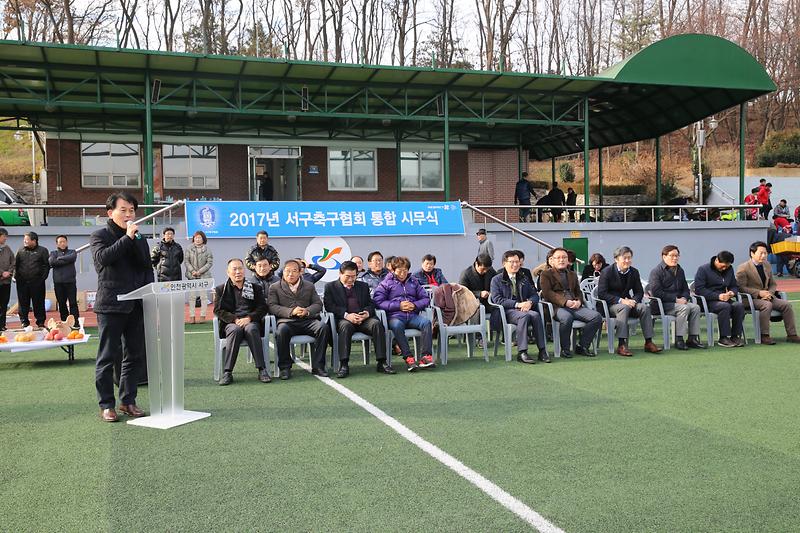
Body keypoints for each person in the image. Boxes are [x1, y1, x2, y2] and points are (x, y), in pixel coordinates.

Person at [90, 192, 154, 422]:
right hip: (110, 306)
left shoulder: (139, 238)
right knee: (107, 356)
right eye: (124, 210)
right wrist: (127, 238)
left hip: (136, 305)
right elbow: (103, 260)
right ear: (110, 212)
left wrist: (150, 296)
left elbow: (147, 268)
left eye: (132, 211)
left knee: (134, 355)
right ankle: (107, 404)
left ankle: (128, 401)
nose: (129, 215)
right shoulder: (100, 235)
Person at [324, 261, 395, 378]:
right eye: (348, 276)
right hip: (345, 319)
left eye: (354, 276)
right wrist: (347, 315)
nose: (351, 279)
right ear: (340, 274)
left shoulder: (362, 286)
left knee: (376, 324)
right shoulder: (331, 287)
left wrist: (367, 313)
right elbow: (330, 306)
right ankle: (344, 364)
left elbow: (370, 304)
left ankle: (382, 362)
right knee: (345, 327)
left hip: (363, 318)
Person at [268, 259, 330, 379]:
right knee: (281, 331)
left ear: (300, 272)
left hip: (308, 321)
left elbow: (318, 304)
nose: (290, 274)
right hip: (287, 321)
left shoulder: (309, 286)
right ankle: (285, 368)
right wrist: (291, 311)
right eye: (288, 271)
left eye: (294, 271)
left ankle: (318, 366)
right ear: (283, 272)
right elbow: (272, 307)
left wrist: (307, 311)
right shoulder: (275, 287)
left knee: (323, 328)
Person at [597, 246, 662, 356]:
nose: (627, 261)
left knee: (644, 308)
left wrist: (634, 300)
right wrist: (621, 300)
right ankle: (622, 344)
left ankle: (649, 342)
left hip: (629, 303)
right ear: (616, 259)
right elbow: (602, 294)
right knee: (624, 307)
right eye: (624, 258)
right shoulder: (607, 272)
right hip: (610, 306)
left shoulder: (634, 272)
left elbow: (639, 292)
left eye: (629, 258)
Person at [213, 258, 270, 385]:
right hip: (232, 323)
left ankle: (262, 369)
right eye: (234, 269)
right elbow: (218, 310)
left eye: (240, 268)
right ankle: (227, 372)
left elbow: (262, 307)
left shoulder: (255, 288)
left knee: (252, 328)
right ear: (228, 272)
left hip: (250, 321)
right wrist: (235, 319)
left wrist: (249, 318)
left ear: (244, 270)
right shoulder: (221, 289)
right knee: (235, 330)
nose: (238, 272)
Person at [373, 256, 435, 372]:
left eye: (405, 270)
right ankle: (408, 357)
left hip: (412, 315)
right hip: (395, 316)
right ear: (393, 270)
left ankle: (426, 357)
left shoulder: (414, 281)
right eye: (399, 270)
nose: (402, 273)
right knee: (397, 326)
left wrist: (415, 305)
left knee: (426, 323)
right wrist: (399, 305)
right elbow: (378, 302)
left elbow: (425, 298)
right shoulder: (386, 283)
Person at [539, 247, 602, 357]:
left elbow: (579, 291)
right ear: (552, 260)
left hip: (575, 306)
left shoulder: (572, 274)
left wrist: (578, 301)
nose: (561, 260)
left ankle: (582, 346)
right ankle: (565, 349)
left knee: (596, 317)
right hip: (557, 307)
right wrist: (565, 302)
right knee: (567, 317)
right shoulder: (545, 274)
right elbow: (547, 293)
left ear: (568, 260)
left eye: (564, 257)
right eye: (558, 258)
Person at [489, 250, 549, 364]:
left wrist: (530, 303)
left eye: (517, 262)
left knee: (536, 315)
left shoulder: (523, 278)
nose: (515, 265)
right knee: (524, 317)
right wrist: (517, 304)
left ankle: (542, 350)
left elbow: (534, 295)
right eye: (512, 262)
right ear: (504, 263)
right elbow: (497, 299)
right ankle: (522, 352)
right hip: (506, 311)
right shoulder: (496, 279)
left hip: (524, 310)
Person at [735, 241, 800, 344]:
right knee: (767, 305)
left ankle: (792, 335)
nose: (764, 255)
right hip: (749, 299)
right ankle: (764, 335)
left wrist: (769, 293)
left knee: (786, 305)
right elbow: (741, 288)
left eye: (765, 253)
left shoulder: (767, 265)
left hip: (767, 297)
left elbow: (773, 284)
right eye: (761, 253)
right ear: (752, 253)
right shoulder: (743, 268)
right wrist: (759, 293)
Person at [647, 245, 705, 350]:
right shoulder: (656, 271)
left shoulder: (680, 270)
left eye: (677, 255)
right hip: (661, 305)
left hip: (678, 303)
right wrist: (676, 300)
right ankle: (679, 339)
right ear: (664, 257)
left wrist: (685, 298)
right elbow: (657, 293)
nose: (675, 258)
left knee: (695, 307)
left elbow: (685, 289)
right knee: (684, 308)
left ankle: (692, 338)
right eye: (672, 256)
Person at [693, 251, 745, 347]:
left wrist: (732, 292)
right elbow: (699, 289)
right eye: (723, 266)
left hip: (725, 299)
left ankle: (735, 336)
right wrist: (718, 296)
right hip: (708, 301)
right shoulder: (703, 269)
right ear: (716, 260)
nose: (724, 268)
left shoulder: (729, 269)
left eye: (727, 266)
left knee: (739, 305)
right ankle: (723, 337)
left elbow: (734, 285)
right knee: (724, 306)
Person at [14, 231, 49, 328]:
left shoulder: (43, 250)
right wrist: (15, 277)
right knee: (23, 302)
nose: (24, 242)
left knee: (38, 302)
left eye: (27, 240)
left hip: (37, 282)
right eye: (24, 240)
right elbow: (15, 264)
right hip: (22, 282)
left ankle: (40, 322)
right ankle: (24, 322)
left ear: (34, 241)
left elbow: (46, 265)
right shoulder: (20, 250)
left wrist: (42, 278)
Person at [184, 230, 213, 323]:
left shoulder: (207, 249)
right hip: (191, 276)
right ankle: (192, 317)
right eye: (196, 238)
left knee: (203, 297)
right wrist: (192, 271)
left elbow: (209, 262)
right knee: (191, 297)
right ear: (193, 239)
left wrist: (199, 272)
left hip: (203, 276)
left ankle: (203, 316)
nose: (197, 239)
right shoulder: (189, 248)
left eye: (199, 238)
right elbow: (186, 261)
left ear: (203, 239)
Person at [49, 235, 79, 322]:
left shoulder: (72, 252)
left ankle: (75, 321)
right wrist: (65, 261)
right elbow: (52, 262)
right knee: (62, 304)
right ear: (57, 244)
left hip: (70, 282)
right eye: (60, 242)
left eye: (64, 241)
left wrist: (60, 259)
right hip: (58, 283)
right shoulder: (53, 253)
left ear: (67, 242)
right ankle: (64, 321)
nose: (62, 243)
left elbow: (72, 258)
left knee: (73, 303)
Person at [0, 228, 15, 331]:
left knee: (4, 304)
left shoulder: (7, 248)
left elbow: (13, 262)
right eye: (4, 236)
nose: (6, 238)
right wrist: (2, 273)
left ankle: (2, 325)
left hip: (6, 282)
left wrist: (9, 272)